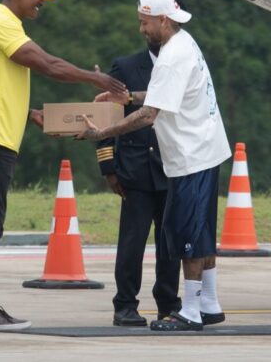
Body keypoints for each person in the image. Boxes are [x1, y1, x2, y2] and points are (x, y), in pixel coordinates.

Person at [0, 0, 126, 332]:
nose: (41, 2)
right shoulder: (1, 24)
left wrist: (30, 112)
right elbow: (46, 63)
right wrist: (94, 76)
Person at [78, 0, 231, 332]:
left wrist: (102, 131)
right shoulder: (185, 42)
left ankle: (190, 310)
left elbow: (148, 115)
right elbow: (161, 94)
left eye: (145, 22)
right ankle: (209, 301)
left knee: (187, 235)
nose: (141, 29)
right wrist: (129, 96)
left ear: (163, 19)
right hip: (205, 149)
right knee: (202, 230)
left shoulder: (172, 55)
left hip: (191, 155)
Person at [95, 40, 182, 327]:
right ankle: (125, 304)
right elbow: (107, 114)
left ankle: (168, 303)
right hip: (135, 169)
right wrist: (109, 167)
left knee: (170, 244)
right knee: (132, 241)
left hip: (172, 166)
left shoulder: (184, 66)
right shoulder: (127, 66)